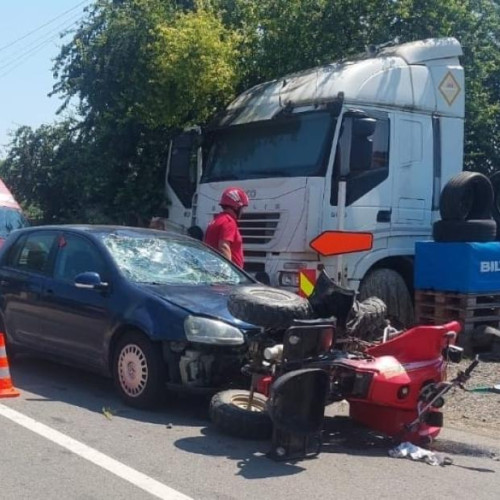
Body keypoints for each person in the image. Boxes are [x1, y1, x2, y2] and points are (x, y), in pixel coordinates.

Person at [204, 187, 249, 268]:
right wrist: (229, 271)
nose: (243, 212)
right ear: (236, 206)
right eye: (242, 208)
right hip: (226, 274)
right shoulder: (229, 221)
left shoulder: (217, 220)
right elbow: (224, 247)